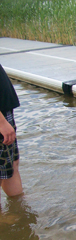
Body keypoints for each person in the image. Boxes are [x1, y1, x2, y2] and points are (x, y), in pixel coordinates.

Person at [0, 64, 23, 202]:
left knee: (11, 166)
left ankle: (18, 207)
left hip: (4, 110)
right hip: (1, 118)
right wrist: (1, 122)